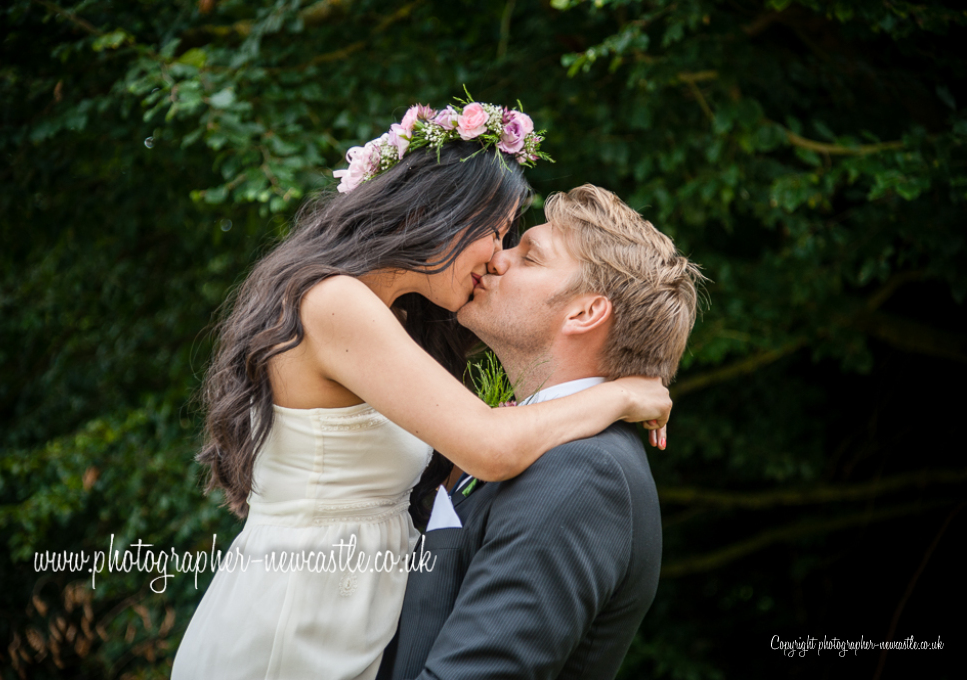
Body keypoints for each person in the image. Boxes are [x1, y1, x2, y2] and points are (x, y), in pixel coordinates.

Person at [170, 103, 672, 680]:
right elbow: (491, 445)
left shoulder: (394, 319)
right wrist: (620, 395)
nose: (497, 257)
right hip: (296, 618)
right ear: (442, 209)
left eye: (517, 244)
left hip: (344, 614)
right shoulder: (336, 302)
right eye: (496, 232)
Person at [377, 184, 704, 680]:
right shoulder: (526, 442)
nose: (496, 259)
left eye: (529, 257)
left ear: (585, 313)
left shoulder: (584, 475)